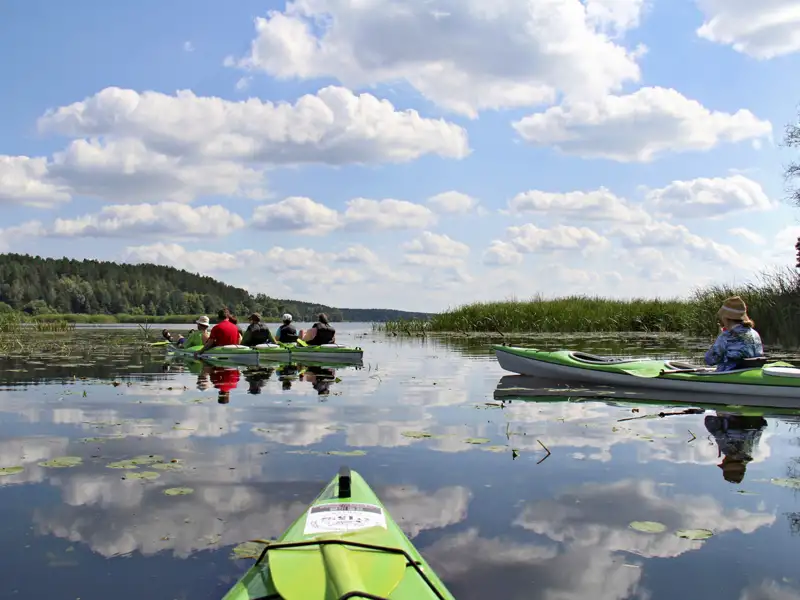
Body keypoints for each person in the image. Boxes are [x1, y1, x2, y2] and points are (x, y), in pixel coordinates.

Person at [705, 412, 767, 484]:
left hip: (751, 414)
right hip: (737, 412)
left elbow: (762, 426)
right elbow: (709, 420)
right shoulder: (727, 448)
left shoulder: (749, 451)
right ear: (725, 461)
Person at [704, 296, 764, 372]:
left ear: (725, 318)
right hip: (751, 372)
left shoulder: (727, 335)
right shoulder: (755, 333)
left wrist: (719, 337)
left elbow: (709, 360)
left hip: (729, 375)